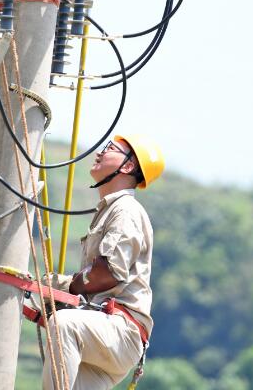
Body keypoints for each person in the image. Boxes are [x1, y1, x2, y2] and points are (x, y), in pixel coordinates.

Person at [42, 134, 164, 390]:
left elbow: (108, 273)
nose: (100, 152)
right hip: (105, 333)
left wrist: (65, 288)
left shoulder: (125, 210)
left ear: (128, 166)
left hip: (120, 330)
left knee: (64, 325)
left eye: (110, 148)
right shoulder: (110, 211)